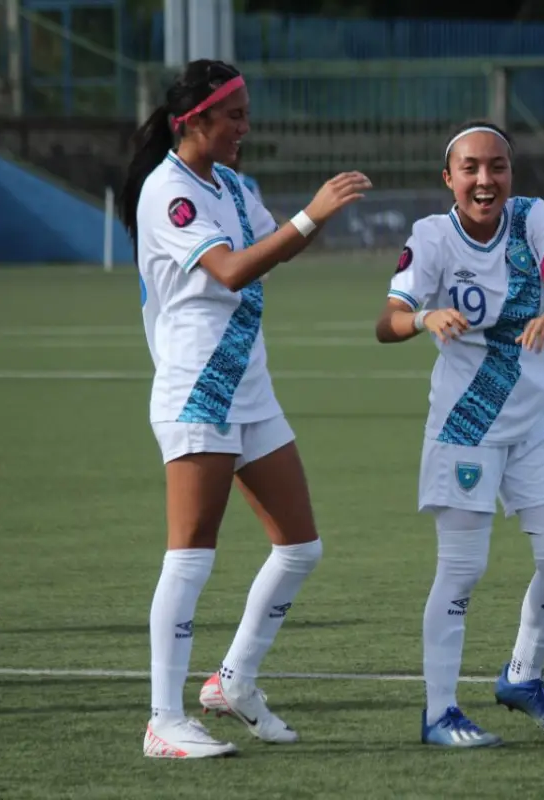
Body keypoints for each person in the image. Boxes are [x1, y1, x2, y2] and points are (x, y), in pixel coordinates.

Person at [119, 59, 370, 759]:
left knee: (300, 546)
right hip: (199, 388)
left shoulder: (229, 182)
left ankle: (232, 681)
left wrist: (317, 217)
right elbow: (230, 267)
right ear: (194, 120)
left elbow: (272, 251)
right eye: (233, 116)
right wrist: (310, 212)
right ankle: (162, 721)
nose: (244, 128)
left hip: (248, 388)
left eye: (246, 115)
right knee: (191, 554)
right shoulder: (169, 192)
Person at [375, 120, 544, 747]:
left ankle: (522, 674)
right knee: (462, 570)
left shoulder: (532, 219)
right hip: (466, 427)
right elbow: (386, 321)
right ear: (450, 178)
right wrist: (421, 317)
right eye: (470, 168)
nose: (484, 179)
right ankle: (439, 713)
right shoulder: (432, 237)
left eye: (496, 166)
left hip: (534, 424)